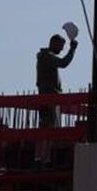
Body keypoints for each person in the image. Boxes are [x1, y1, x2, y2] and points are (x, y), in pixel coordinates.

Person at [34, 33, 77, 165]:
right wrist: (72, 50)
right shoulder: (47, 57)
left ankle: (43, 158)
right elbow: (63, 63)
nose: (61, 50)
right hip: (49, 97)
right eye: (61, 46)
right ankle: (42, 159)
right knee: (47, 129)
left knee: (48, 129)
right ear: (54, 43)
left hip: (50, 97)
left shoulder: (45, 57)